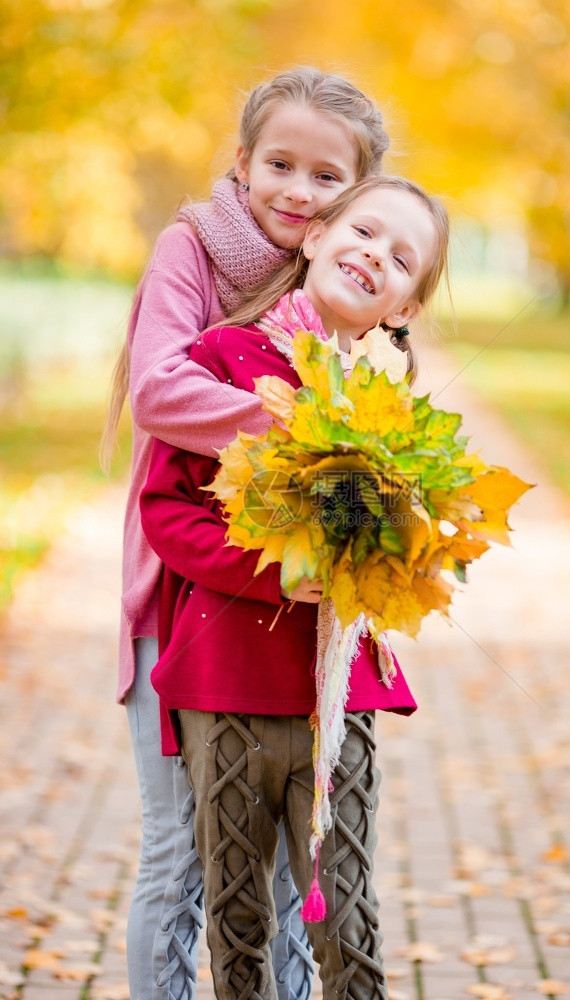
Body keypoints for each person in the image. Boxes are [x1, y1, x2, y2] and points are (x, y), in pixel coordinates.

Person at [101, 67, 390, 1000]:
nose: (298, 194)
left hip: (283, 614)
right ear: (242, 162)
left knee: (277, 864)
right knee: (177, 849)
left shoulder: (341, 284)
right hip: (177, 593)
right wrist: (306, 430)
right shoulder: (193, 250)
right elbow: (158, 391)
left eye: (326, 178)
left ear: (360, 191)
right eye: (280, 165)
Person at [139, 175, 451, 1000]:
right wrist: (276, 573)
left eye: (401, 258)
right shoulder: (224, 361)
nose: (375, 255)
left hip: (337, 698)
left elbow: (394, 544)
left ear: (404, 307)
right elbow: (168, 512)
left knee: (345, 913)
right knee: (238, 918)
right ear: (314, 237)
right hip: (229, 681)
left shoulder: (387, 412)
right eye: (365, 232)